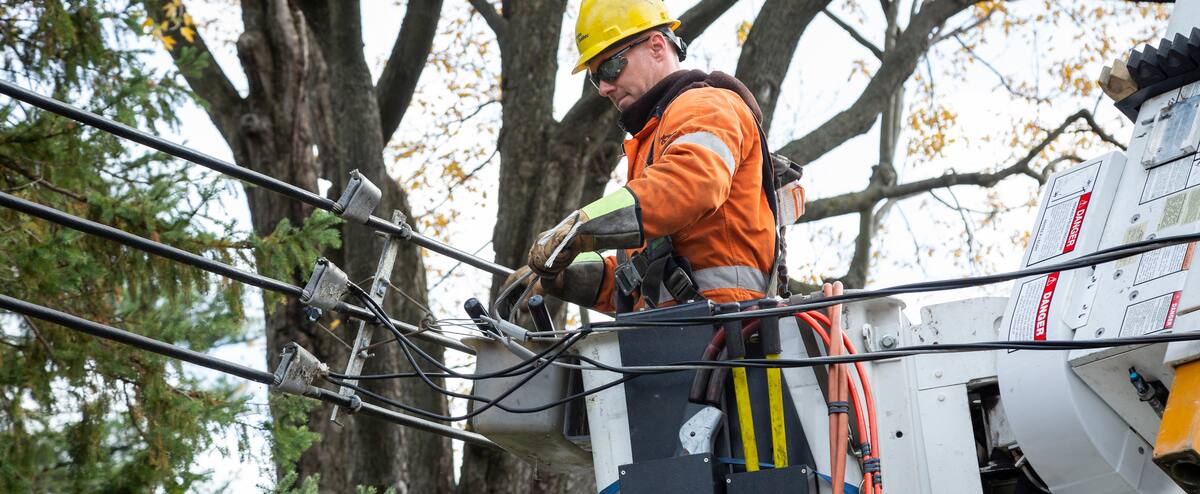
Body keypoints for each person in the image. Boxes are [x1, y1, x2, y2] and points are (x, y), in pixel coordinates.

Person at [504, 0, 781, 314]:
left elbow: (691, 184)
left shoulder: (706, 104)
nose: (604, 88)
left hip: (726, 333)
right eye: (597, 78)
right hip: (680, 334)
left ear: (657, 46)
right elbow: (641, 279)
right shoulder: (653, 138)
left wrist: (581, 227)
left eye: (610, 67)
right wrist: (564, 276)